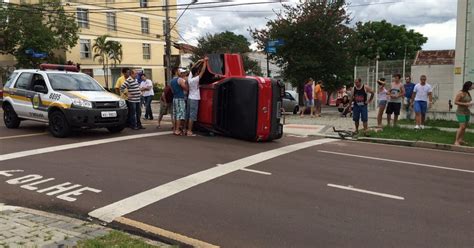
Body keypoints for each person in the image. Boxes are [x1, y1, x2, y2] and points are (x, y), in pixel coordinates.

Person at [186, 58, 208, 136]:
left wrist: (198, 61)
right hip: (194, 99)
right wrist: (205, 62)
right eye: (198, 72)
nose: (199, 72)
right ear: (197, 73)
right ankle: (189, 131)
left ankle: (186, 129)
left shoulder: (190, 78)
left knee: (188, 114)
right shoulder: (195, 79)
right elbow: (203, 71)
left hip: (189, 98)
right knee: (192, 116)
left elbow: (192, 69)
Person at [454, 81, 473, 145]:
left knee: (464, 127)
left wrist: (470, 104)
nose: (472, 87)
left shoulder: (467, 93)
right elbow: (455, 102)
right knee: (462, 127)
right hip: (460, 112)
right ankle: (456, 141)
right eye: (472, 86)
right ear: (468, 86)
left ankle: (461, 140)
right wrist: (465, 104)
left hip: (467, 112)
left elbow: (468, 102)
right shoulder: (460, 93)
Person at [171, 68, 188, 135]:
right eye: (181, 72)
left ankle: (175, 129)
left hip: (175, 98)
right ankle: (177, 130)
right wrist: (186, 82)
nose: (183, 74)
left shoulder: (172, 81)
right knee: (180, 115)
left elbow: (172, 91)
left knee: (175, 114)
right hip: (180, 98)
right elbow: (186, 88)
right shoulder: (180, 80)